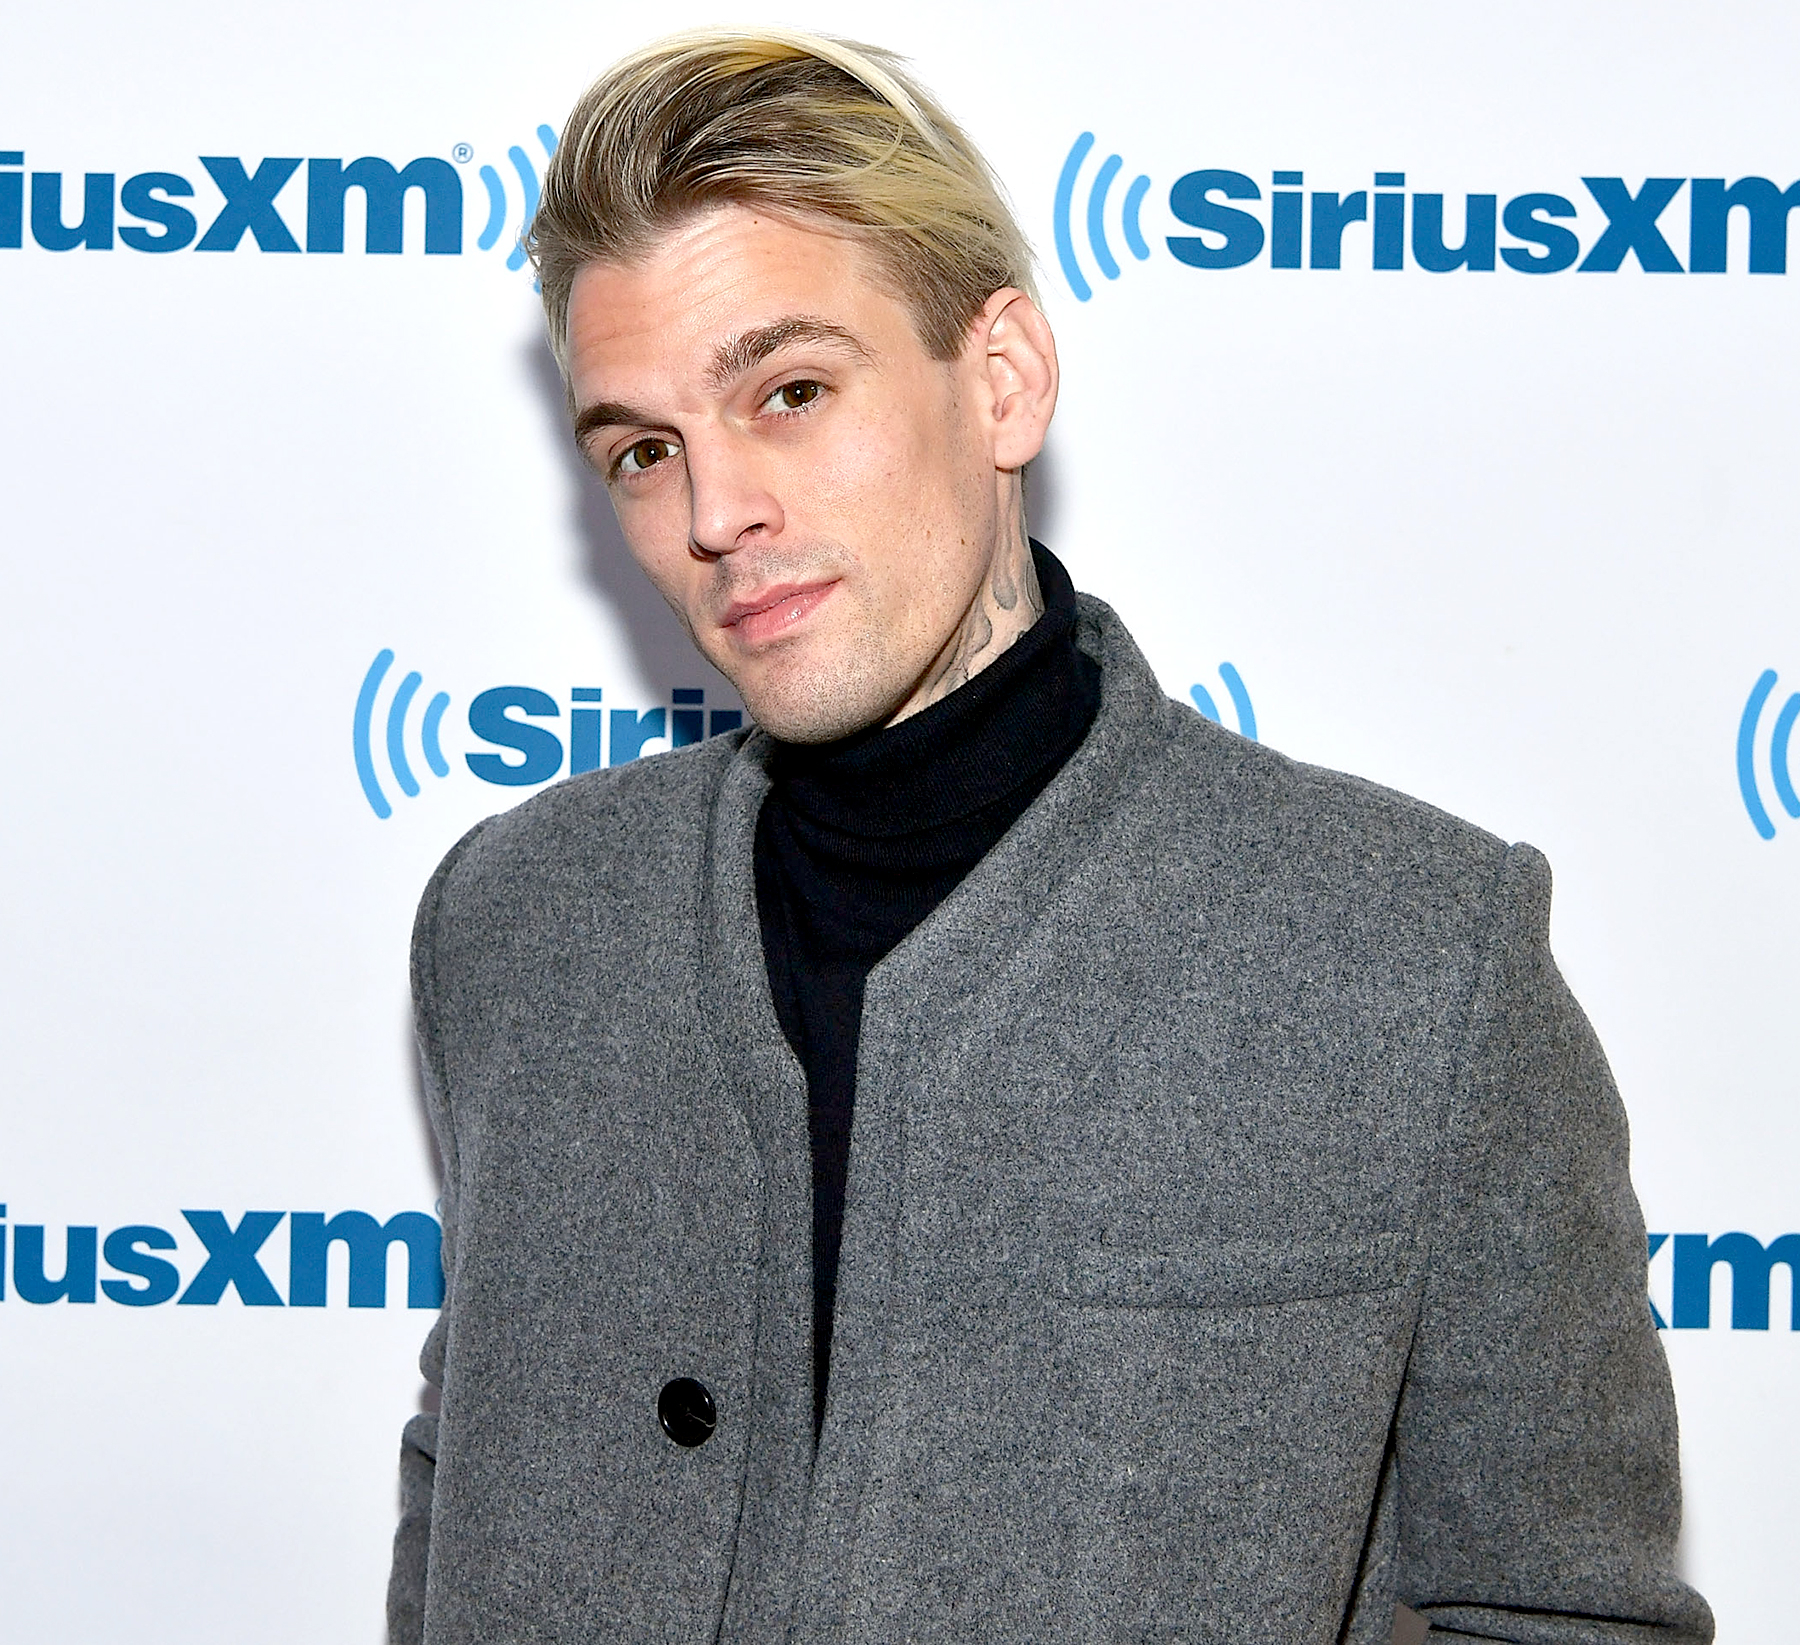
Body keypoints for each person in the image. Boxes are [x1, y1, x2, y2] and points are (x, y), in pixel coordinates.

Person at [386, 28, 1712, 1645]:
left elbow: (1559, 1609)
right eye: (643, 451)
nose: (715, 510)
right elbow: (461, 1498)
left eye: (789, 393)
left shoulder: (1414, 959)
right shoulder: (519, 921)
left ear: (1002, 377)